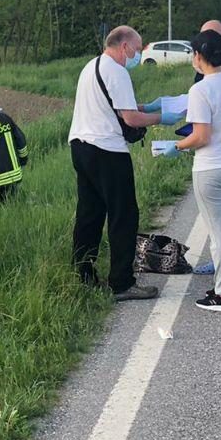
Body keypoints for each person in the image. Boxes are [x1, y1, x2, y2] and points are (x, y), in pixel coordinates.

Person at [69, 26, 164, 302]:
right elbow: (130, 119)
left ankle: (83, 275)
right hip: (107, 150)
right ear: (124, 46)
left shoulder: (91, 66)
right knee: (124, 214)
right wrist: (161, 117)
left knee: (89, 213)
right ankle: (122, 282)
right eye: (137, 48)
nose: (137, 55)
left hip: (81, 145)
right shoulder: (117, 70)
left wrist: (142, 108)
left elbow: (114, 107)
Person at [173, 29, 221, 312]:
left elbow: (201, 136)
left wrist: (177, 146)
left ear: (198, 56)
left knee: (219, 233)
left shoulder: (201, 89)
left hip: (211, 167)